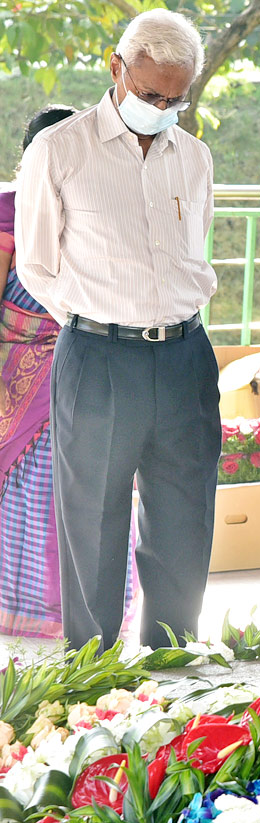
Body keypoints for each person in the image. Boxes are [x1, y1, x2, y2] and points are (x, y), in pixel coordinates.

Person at [16, 9, 220, 651]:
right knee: (93, 521)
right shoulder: (60, 149)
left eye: (174, 98)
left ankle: (172, 655)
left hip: (186, 354)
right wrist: (97, 324)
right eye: (150, 93)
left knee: (185, 517)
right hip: (98, 357)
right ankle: (94, 670)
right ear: (116, 68)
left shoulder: (194, 155)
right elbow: (38, 264)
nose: (162, 107)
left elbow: (194, 252)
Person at [1, 106, 78, 638]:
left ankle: (70, 616)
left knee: (77, 492)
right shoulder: (8, 211)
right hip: (19, 378)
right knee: (26, 489)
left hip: (85, 370)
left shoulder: (95, 208)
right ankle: (22, 615)